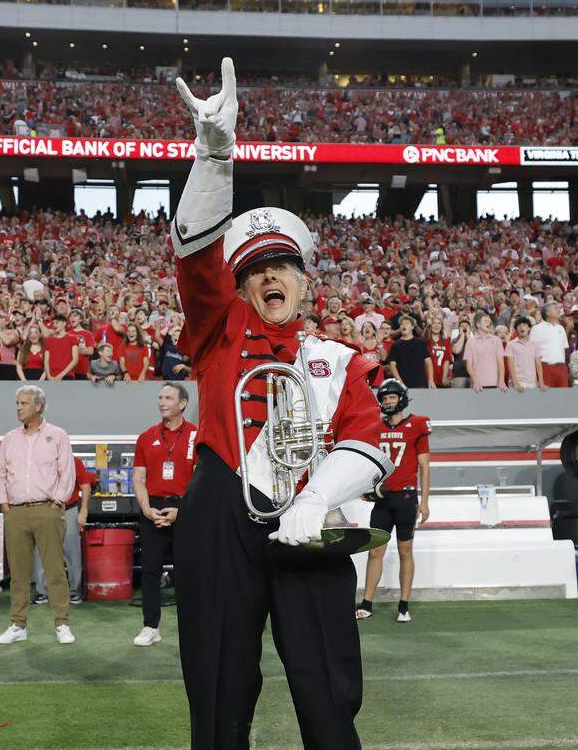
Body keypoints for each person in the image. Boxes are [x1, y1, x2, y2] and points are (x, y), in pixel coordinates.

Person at [169, 59, 391, 749]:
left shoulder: (340, 358)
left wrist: (315, 498)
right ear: (239, 288)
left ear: (303, 281)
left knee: (328, 688)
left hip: (309, 520)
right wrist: (215, 156)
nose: (269, 273)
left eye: (282, 265)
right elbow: (194, 260)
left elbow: (368, 446)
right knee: (217, 684)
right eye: (255, 269)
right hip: (219, 512)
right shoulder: (217, 329)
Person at [0, 386, 77, 645]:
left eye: (24, 403)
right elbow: (0, 471)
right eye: (17, 402)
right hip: (16, 512)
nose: (18, 407)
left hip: (47, 510)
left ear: (38, 406)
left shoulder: (57, 435)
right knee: (18, 573)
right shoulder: (9, 438)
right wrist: (4, 504)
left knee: (54, 570)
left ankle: (62, 624)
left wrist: (56, 503)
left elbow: (67, 471)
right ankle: (18, 625)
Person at [357, 380, 431, 624]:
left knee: (404, 550)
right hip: (383, 498)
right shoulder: (376, 427)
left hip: (406, 498)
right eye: (385, 397)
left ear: (402, 398)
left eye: (392, 397)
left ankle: (403, 605)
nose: (388, 401)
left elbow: (424, 466)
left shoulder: (417, 424)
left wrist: (425, 501)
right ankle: (367, 602)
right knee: (375, 550)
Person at [131, 382, 197, 647]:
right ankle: (150, 626)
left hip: (187, 509)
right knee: (150, 571)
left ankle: (192, 626)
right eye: (160, 397)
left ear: (182, 404)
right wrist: (147, 509)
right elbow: (138, 477)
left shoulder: (197, 435)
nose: (162, 402)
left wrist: (181, 512)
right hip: (153, 508)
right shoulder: (146, 436)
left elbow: (201, 479)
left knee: (189, 572)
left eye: (168, 398)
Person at [32, 455, 95, 606]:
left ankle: (74, 592)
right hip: (44, 509)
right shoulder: (39, 460)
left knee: (72, 552)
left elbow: (85, 486)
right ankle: (42, 592)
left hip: (69, 508)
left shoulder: (74, 462)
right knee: (41, 551)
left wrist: (83, 511)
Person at [464, 312, 507, 392]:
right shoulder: (470, 342)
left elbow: (501, 363)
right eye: (486, 321)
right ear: (478, 324)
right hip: (477, 386)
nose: (489, 323)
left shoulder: (497, 340)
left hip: (495, 384)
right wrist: (476, 381)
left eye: (489, 321)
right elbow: (469, 365)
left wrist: (501, 380)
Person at [530, 302, 570, 388]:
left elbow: (565, 349)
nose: (559, 310)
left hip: (562, 368)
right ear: (548, 313)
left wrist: (566, 370)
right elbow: (531, 352)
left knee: (562, 399)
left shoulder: (561, 328)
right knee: (547, 399)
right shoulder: (536, 329)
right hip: (545, 368)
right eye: (555, 308)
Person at [388, 315, 433, 389]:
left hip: (421, 384)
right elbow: (392, 365)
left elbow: (429, 363)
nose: (403, 325)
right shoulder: (395, 345)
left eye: (406, 323)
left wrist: (431, 380)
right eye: (402, 324)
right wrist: (400, 382)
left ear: (412, 327)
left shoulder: (421, 343)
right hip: (403, 385)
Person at [504, 317, 547, 393]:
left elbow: (538, 364)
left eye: (524, 325)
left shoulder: (535, 344)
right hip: (517, 383)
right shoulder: (511, 344)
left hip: (533, 383)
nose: (521, 327)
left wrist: (541, 381)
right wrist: (515, 382)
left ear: (529, 328)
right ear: (516, 329)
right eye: (519, 326)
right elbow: (510, 364)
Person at [44, 314, 80, 381]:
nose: (54, 325)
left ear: (64, 323)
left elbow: (75, 359)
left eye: (57, 322)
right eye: (53, 323)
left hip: (67, 376)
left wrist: (61, 375)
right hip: (51, 377)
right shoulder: (48, 341)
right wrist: (49, 376)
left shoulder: (73, 338)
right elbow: (46, 361)